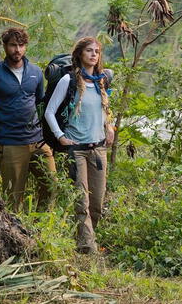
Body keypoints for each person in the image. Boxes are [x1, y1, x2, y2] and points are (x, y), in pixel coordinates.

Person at [0, 27, 56, 211]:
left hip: (38, 142)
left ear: (26, 47)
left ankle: (40, 226)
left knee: (52, 185)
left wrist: (46, 133)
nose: (17, 50)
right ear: (5, 46)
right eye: (13, 45)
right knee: (13, 199)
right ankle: (17, 233)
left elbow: (40, 104)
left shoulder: (35, 72)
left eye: (21, 45)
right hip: (10, 144)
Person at [44, 36, 114, 254]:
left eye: (97, 51)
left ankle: (84, 241)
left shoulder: (101, 81)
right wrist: (60, 136)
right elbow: (49, 112)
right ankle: (88, 250)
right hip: (77, 150)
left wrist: (109, 126)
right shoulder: (69, 81)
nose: (94, 55)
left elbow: (102, 109)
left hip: (98, 149)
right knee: (81, 202)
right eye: (89, 51)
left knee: (97, 204)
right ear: (79, 55)